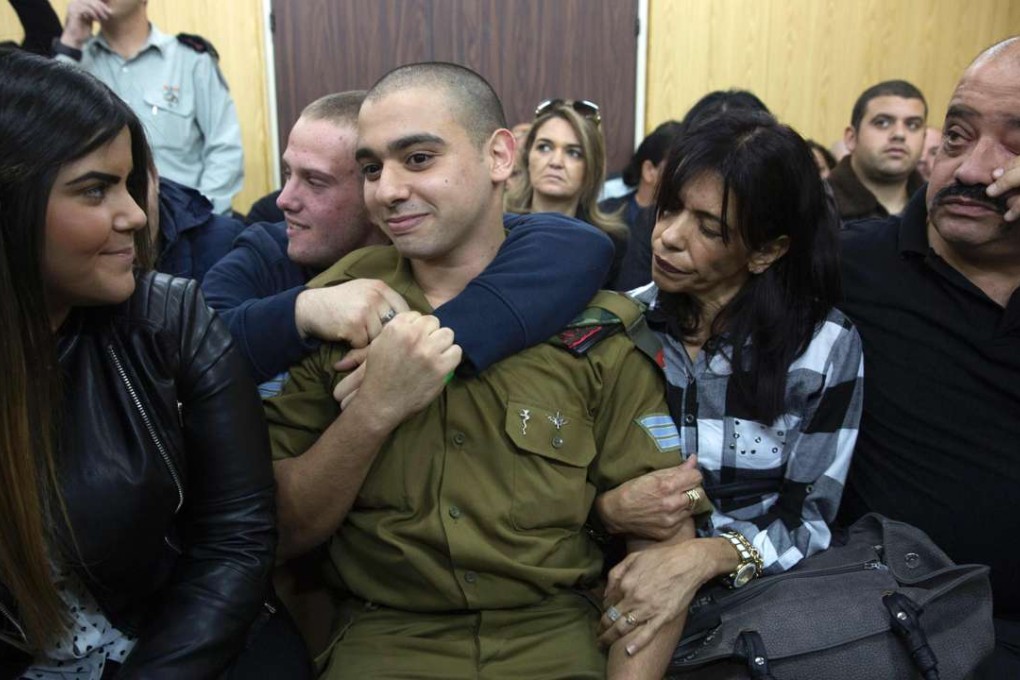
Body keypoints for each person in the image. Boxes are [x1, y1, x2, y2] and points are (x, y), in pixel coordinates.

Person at [265, 61, 690, 679]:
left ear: (498, 157)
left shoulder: (592, 328)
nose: (386, 190)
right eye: (371, 168)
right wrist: (373, 412)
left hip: (555, 640)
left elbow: (661, 543)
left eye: (417, 159)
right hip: (383, 640)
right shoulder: (341, 309)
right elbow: (279, 531)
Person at [0, 50, 311, 678]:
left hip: (180, 649)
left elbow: (237, 539)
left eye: (129, 182)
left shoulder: (168, 321)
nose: (137, 216)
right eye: (95, 189)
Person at [593, 111, 864, 656]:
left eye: (709, 228)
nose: (667, 238)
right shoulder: (620, 326)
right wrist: (605, 513)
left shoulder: (822, 348)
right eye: (668, 209)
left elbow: (809, 523)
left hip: (757, 612)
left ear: (766, 251)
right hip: (610, 587)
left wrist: (704, 557)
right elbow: (550, 491)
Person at [202, 91, 617, 388]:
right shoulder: (268, 250)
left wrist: (430, 344)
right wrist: (303, 311)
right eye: (289, 173)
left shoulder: (443, 242)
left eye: (316, 181)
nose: (285, 199)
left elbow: (577, 244)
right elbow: (190, 351)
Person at [836, 36, 1020, 678]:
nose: (972, 170)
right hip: (898, 630)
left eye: (1014, 146)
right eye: (959, 136)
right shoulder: (849, 264)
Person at [54, 0, 244, 214]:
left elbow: (224, 147)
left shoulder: (189, 59)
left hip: (185, 223)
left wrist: (202, 218)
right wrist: (71, 40)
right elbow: (48, 137)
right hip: (105, 224)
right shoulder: (74, 65)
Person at [505, 98, 630, 285]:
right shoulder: (496, 226)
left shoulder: (609, 243)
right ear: (527, 157)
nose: (556, 162)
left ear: (591, 168)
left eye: (573, 153)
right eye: (544, 147)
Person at [600, 120, 683, 292]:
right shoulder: (603, 214)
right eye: (677, 167)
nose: (685, 176)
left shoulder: (682, 227)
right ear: (649, 170)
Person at [828, 80, 927, 221]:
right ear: (851, 138)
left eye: (912, 125)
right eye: (882, 122)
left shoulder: (937, 208)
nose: (899, 134)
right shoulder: (814, 204)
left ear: (924, 138)